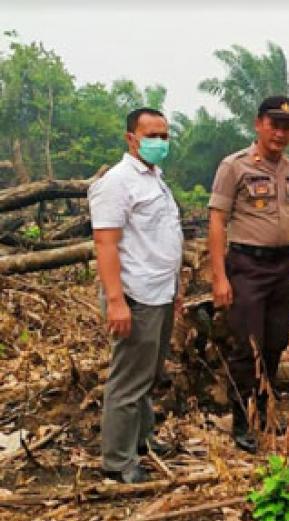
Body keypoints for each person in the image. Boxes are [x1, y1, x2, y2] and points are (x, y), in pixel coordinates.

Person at [208, 96, 289, 454]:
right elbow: (217, 221)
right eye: (274, 125)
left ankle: (266, 410)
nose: (281, 133)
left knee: (275, 341)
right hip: (247, 267)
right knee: (246, 347)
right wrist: (219, 277)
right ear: (258, 124)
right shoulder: (234, 167)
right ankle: (243, 420)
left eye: (287, 127)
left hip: (283, 268)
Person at [89, 107, 183, 483]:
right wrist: (116, 301)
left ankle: (141, 440)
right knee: (128, 380)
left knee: (148, 374)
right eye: (152, 135)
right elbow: (105, 244)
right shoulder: (117, 182)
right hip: (135, 295)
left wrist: (175, 289)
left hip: (160, 291)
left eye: (164, 135)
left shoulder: (155, 179)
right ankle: (117, 461)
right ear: (132, 138)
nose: (160, 142)